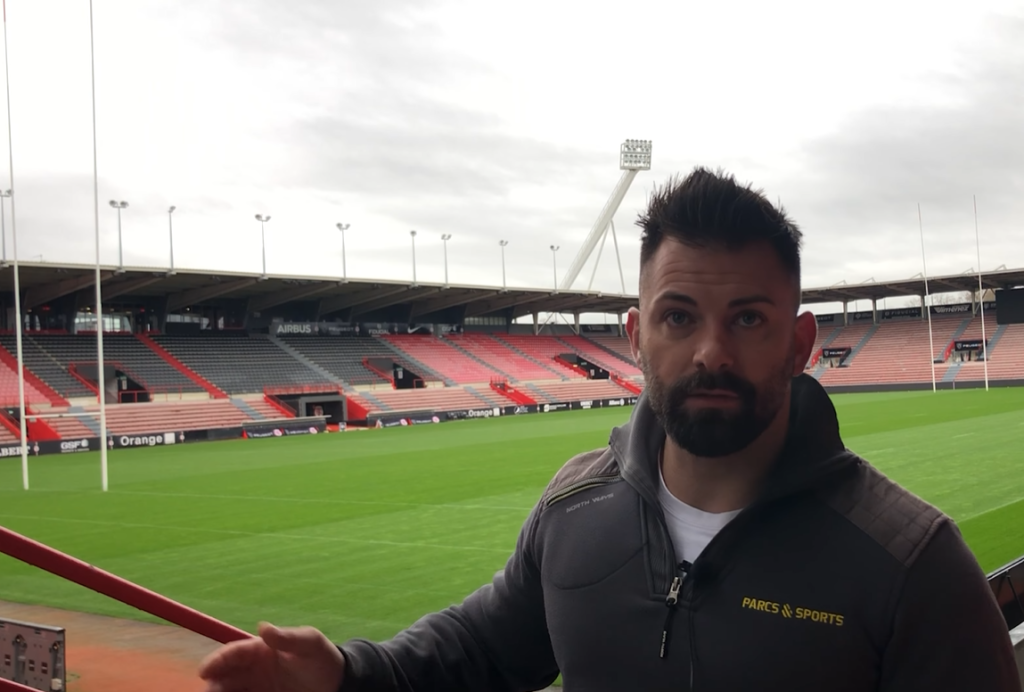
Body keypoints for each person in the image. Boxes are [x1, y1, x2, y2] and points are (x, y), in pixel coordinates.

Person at [199, 168, 1019, 692]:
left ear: (800, 343)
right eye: (678, 316)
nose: (710, 351)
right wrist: (350, 675)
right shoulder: (575, 509)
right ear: (635, 336)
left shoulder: (911, 565)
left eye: (748, 319)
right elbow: (482, 650)